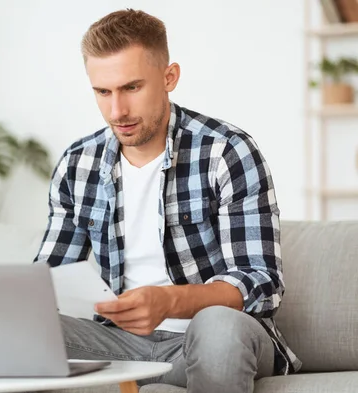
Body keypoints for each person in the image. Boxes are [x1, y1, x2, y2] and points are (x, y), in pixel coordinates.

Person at [33, 8, 301, 393]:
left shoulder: (226, 151)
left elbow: (261, 281)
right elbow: (49, 277)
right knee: (22, 329)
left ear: (169, 77)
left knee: (218, 325)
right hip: (120, 347)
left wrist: (170, 301)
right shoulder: (78, 164)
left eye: (132, 88)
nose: (117, 111)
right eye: (103, 92)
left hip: (208, 341)